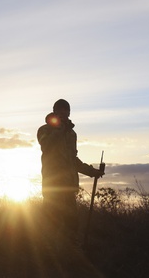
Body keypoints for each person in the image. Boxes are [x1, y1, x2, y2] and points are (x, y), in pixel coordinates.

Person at [37, 99, 104, 241]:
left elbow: (73, 160)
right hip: (52, 186)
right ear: (54, 112)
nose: (63, 113)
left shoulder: (71, 134)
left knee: (71, 226)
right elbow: (46, 147)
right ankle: (47, 257)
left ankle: (71, 257)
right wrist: (58, 128)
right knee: (50, 226)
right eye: (60, 110)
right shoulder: (45, 130)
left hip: (69, 187)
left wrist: (92, 172)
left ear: (69, 112)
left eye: (66, 110)